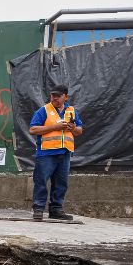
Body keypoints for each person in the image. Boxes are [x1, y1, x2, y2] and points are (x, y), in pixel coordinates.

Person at [28, 84, 83, 220]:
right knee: (41, 181)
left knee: (61, 183)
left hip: (64, 153)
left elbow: (79, 131)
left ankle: (56, 210)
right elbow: (33, 129)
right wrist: (55, 126)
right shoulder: (44, 110)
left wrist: (72, 128)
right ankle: (39, 209)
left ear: (66, 97)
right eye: (53, 96)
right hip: (46, 153)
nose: (54, 98)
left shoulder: (71, 111)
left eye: (58, 96)